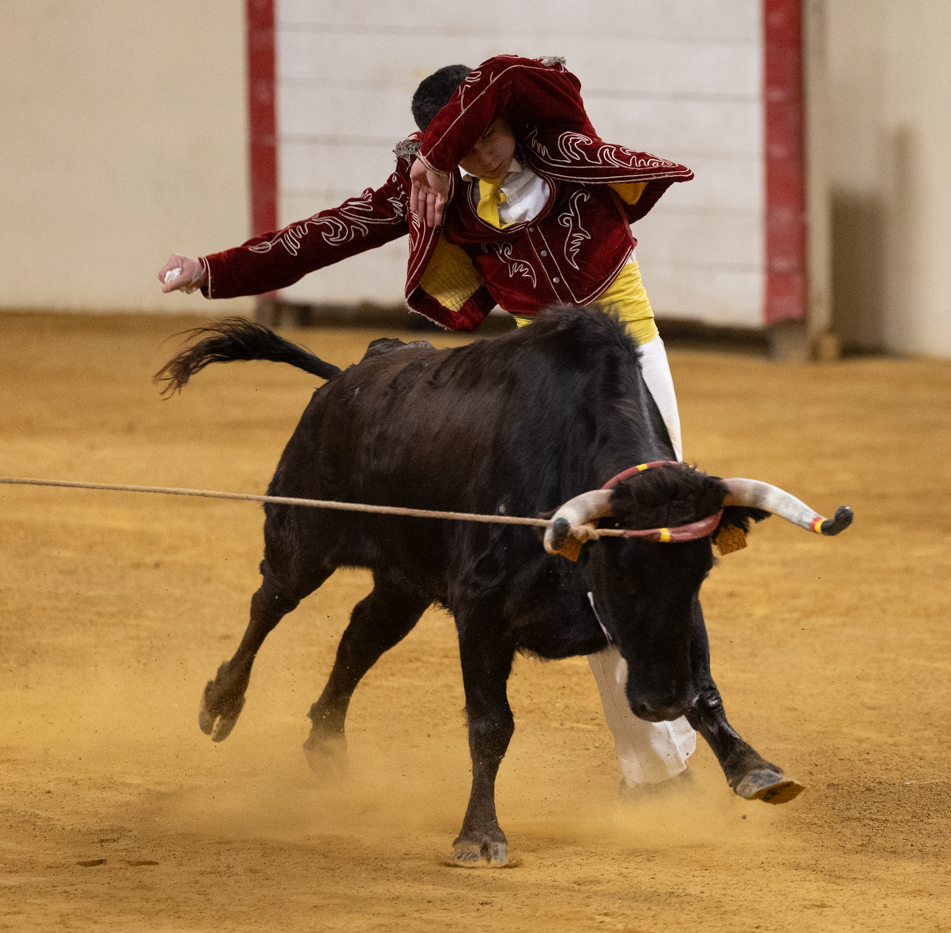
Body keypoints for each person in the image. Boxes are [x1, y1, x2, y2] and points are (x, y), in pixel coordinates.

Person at [160, 54, 699, 795]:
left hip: (631, 361)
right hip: (541, 391)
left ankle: (663, 756)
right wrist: (212, 270)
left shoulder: (555, 128)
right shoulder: (434, 193)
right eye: (463, 142)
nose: (485, 150)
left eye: (487, 132)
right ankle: (656, 767)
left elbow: (510, 72)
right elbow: (325, 236)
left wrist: (442, 152)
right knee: (592, 563)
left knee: (641, 546)